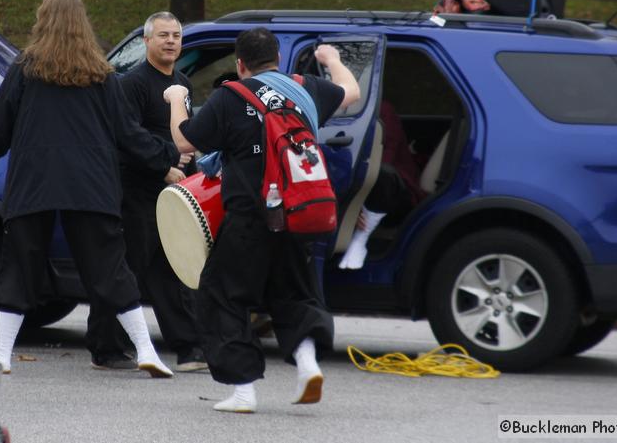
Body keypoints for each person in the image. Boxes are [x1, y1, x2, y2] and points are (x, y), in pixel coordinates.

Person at [0, 0, 176, 378]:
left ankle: (1, 355)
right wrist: (166, 156)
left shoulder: (25, 68)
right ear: (83, 23)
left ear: (42, 18)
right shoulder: (101, 74)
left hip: (35, 182)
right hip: (91, 184)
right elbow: (127, 133)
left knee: (19, 265)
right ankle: (146, 349)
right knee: (110, 268)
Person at [163, 28, 360, 413]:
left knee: (223, 294)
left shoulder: (230, 96)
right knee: (292, 293)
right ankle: (307, 365)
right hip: (296, 216)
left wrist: (175, 99)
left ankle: (243, 391)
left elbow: (185, 141)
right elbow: (350, 92)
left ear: (240, 64)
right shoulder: (304, 89)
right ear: (278, 61)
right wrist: (332, 61)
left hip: (249, 219)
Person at [90, 12, 207, 372]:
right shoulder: (132, 84)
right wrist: (163, 166)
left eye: (176, 35)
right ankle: (106, 347)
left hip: (175, 193)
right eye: (163, 35)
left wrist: (193, 167)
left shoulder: (183, 83)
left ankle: (189, 347)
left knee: (173, 267)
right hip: (137, 193)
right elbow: (127, 139)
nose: (171, 41)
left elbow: (186, 134)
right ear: (146, 42)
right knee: (128, 268)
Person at [338, 99, 425, 269]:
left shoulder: (382, 110)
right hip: (348, 188)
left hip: (393, 190)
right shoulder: (332, 108)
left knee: (382, 173)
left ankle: (362, 235)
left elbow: (384, 160)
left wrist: (355, 204)